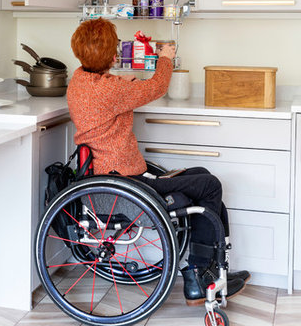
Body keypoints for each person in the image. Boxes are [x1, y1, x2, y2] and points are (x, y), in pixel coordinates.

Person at [67, 18, 250, 305]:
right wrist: (165, 57)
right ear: (113, 55)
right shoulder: (109, 91)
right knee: (210, 185)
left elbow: (107, 91)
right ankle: (198, 275)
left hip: (106, 181)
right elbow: (158, 86)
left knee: (200, 175)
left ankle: (215, 267)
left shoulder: (80, 81)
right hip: (123, 187)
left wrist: (121, 80)